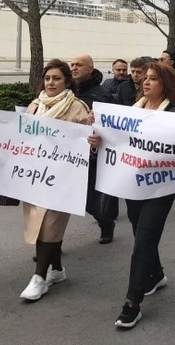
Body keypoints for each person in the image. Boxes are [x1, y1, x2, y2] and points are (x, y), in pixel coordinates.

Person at [109, 61, 175, 329]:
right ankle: (156, 275)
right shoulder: (130, 113)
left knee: (143, 240)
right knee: (139, 231)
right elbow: (115, 142)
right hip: (133, 185)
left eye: (153, 78)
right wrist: (98, 139)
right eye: (146, 78)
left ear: (165, 84)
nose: (146, 82)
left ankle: (133, 302)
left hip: (160, 189)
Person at [15, 59, 93, 301]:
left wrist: (92, 139)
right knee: (39, 224)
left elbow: (87, 143)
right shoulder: (35, 106)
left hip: (63, 179)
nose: (51, 83)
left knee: (50, 224)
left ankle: (39, 277)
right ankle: (57, 270)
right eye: (48, 78)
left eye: (57, 78)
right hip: (36, 177)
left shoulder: (78, 108)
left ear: (67, 82)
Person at [70, 54, 117, 244]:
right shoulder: (64, 92)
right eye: (72, 64)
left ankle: (105, 223)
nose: (74, 68)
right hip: (66, 155)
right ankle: (50, 244)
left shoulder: (101, 94)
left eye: (79, 65)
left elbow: (110, 126)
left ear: (90, 69)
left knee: (91, 200)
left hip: (91, 155)